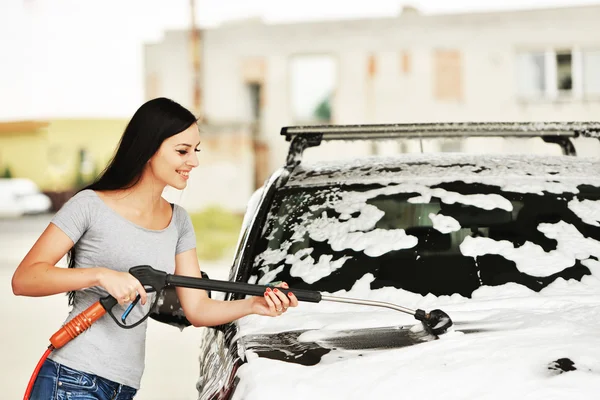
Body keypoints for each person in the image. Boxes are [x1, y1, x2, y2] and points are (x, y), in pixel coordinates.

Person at [11, 97, 298, 400]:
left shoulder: (179, 222)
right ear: (149, 148)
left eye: (195, 151)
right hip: (71, 380)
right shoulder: (90, 206)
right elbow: (25, 278)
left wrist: (254, 305)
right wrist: (100, 275)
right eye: (182, 151)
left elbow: (197, 308)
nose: (194, 161)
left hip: (123, 387)